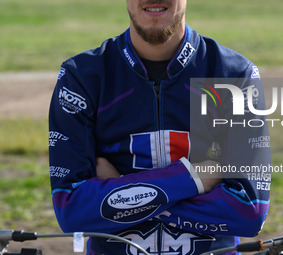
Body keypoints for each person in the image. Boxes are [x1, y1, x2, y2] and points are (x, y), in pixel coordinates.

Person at [49, 0, 271, 254]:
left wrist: (122, 195)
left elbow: (249, 211)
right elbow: (71, 213)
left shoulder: (233, 74)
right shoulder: (81, 77)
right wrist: (193, 179)